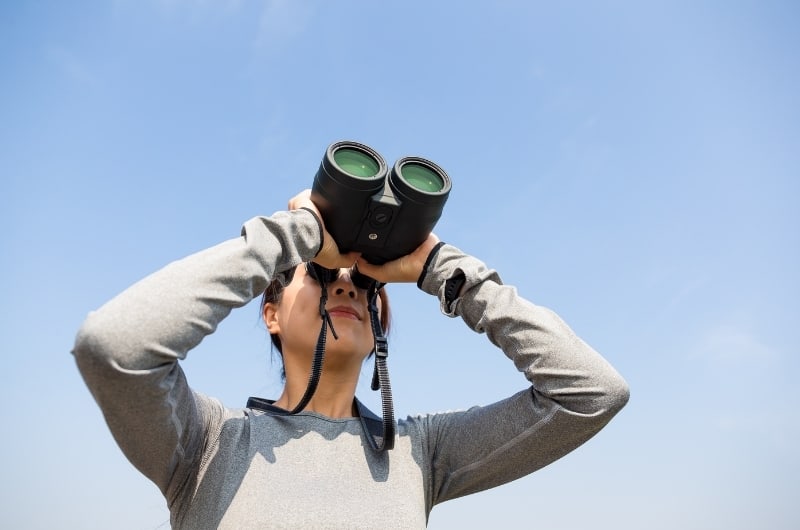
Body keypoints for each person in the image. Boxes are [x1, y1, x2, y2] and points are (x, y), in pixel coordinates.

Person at [73, 189, 629, 529]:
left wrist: (445, 271)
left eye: (364, 284)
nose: (346, 288)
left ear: (381, 318)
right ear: (270, 314)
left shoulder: (421, 453)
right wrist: (297, 234)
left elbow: (591, 394)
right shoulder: (206, 444)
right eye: (318, 276)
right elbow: (116, 346)